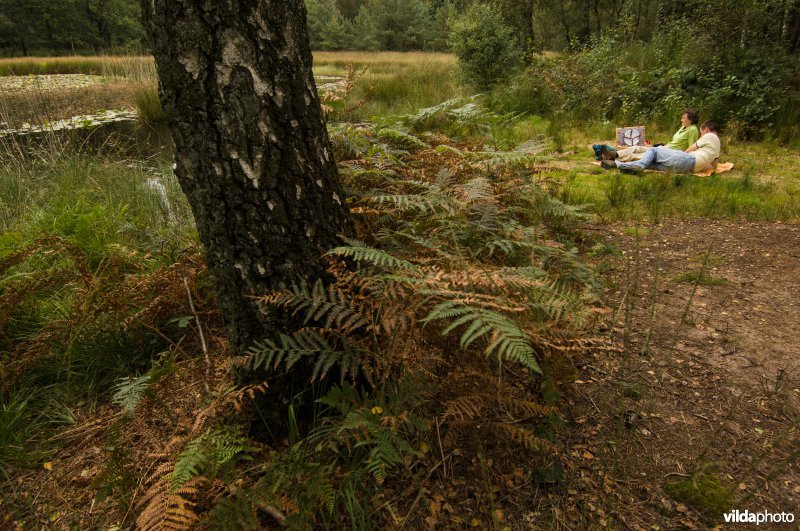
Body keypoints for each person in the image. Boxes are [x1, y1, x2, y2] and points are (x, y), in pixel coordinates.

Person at [601, 120, 720, 175]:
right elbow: (713, 166)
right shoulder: (717, 145)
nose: (702, 135)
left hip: (687, 159)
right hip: (688, 169)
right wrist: (702, 165)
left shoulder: (710, 135)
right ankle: (618, 165)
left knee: (652, 150)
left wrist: (683, 155)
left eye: (702, 132)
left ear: (706, 129)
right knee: (651, 164)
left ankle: (637, 165)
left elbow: (692, 148)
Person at [611, 108, 701, 162]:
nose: (681, 119)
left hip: (669, 153)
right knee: (636, 147)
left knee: (638, 155)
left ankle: (613, 160)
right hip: (665, 148)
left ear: (690, 120)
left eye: (683, 118)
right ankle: (614, 154)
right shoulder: (683, 127)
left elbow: (691, 148)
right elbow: (674, 143)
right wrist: (655, 145)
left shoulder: (693, 130)